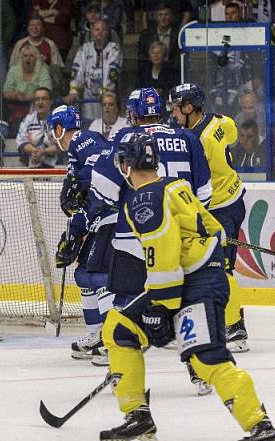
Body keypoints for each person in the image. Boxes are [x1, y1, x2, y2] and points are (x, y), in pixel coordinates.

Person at [98, 133, 275, 441]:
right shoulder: (174, 185)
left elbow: (165, 248)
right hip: (192, 279)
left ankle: (262, 428)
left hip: (194, 284)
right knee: (120, 329)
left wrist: (162, 306)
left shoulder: (144, 198)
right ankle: (138, 419)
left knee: (206, 355)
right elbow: (213, 229)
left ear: (126, 164)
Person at [88, 87, 214, 395]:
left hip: (133, 240)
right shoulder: (188, 138)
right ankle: (199, 371)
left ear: (131, 113)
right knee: (185, 305)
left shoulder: (127, 139)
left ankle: (123, 369)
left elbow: (102, 189)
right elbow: (205, 193)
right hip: (176, 243)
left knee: (123, 308)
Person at [169, 83, 249, 352]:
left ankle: (235, 328)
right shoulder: (219, 121)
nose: (173, 112)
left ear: (189, 107)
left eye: (176, 107)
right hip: (234, 197)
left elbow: (195, 182)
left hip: (221, 209)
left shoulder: (195, 141)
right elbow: (233, 134)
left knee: (223, 269)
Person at [47, 104, 112, 364]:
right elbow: (83, 202)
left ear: (59, 128)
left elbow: (103, 172)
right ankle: (96, 334)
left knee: (99, 276)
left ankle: (111, 340)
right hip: (99, 218)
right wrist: (72, 237)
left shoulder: (83, 140)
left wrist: (80, 182)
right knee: (83, 274)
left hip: (113, 217)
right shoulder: (76, 153)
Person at [67, 20, 122, 122]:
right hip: (88, 100)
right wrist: (73, 90)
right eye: (97, 30)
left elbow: (112, 71)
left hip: (108, 97)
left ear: (108, 32)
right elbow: (77, 69)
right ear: (92, 32)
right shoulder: (84, 48)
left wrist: (104, 90)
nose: (100, 32)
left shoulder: (114, 49)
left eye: (103, 30)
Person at [3, 43, 53, 129]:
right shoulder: (13, 70)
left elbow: (47, 91)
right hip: (16, 105)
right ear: (21, 58)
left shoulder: (43, 69)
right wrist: (15, 95)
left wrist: (27, 97)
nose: (28, 58)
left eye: (31, 56)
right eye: (25, 56)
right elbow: (6, 91)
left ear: (36, 58)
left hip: (37, 104)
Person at [16, 86, 57, 168]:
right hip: (32, 167)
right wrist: (34, 151)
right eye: (37, 99)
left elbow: (64, 146)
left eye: (44, 99)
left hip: (56, 167)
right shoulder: (28, 120)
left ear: (51, 101)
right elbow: (21, 142)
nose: (40, 102)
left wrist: (44, 151)